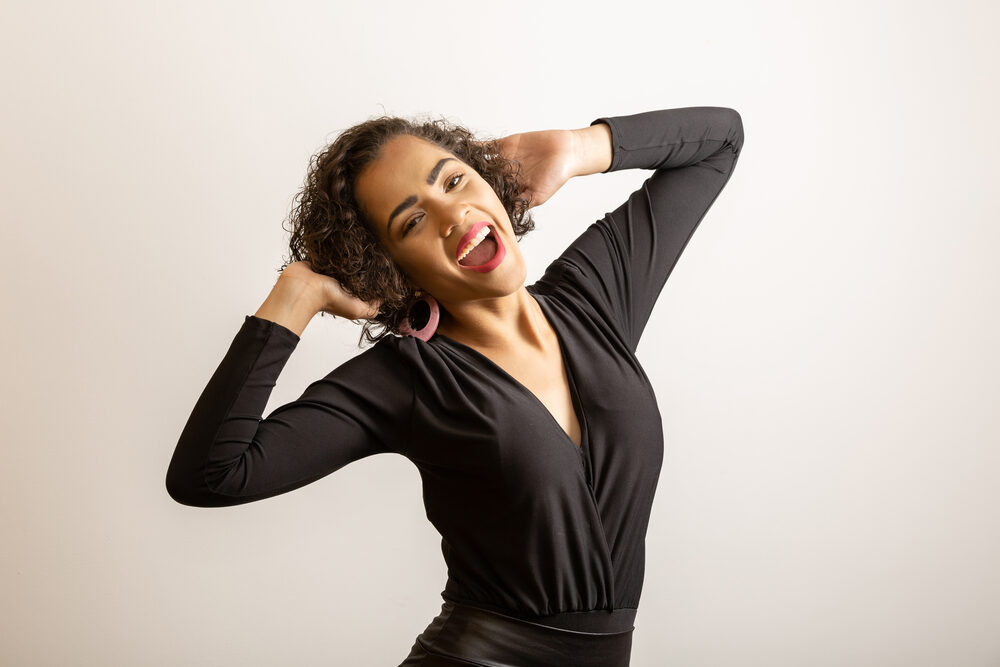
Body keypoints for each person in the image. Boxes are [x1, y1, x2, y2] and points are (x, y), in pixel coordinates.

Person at [166, 105, 745, 666]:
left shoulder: (596, 295)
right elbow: (209, 476)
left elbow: (719, 140)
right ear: (391, 265)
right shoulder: (405, 379)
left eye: (454, 180)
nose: (453, 214)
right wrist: (291, 302)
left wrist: (574, 147)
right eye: (412, 221)